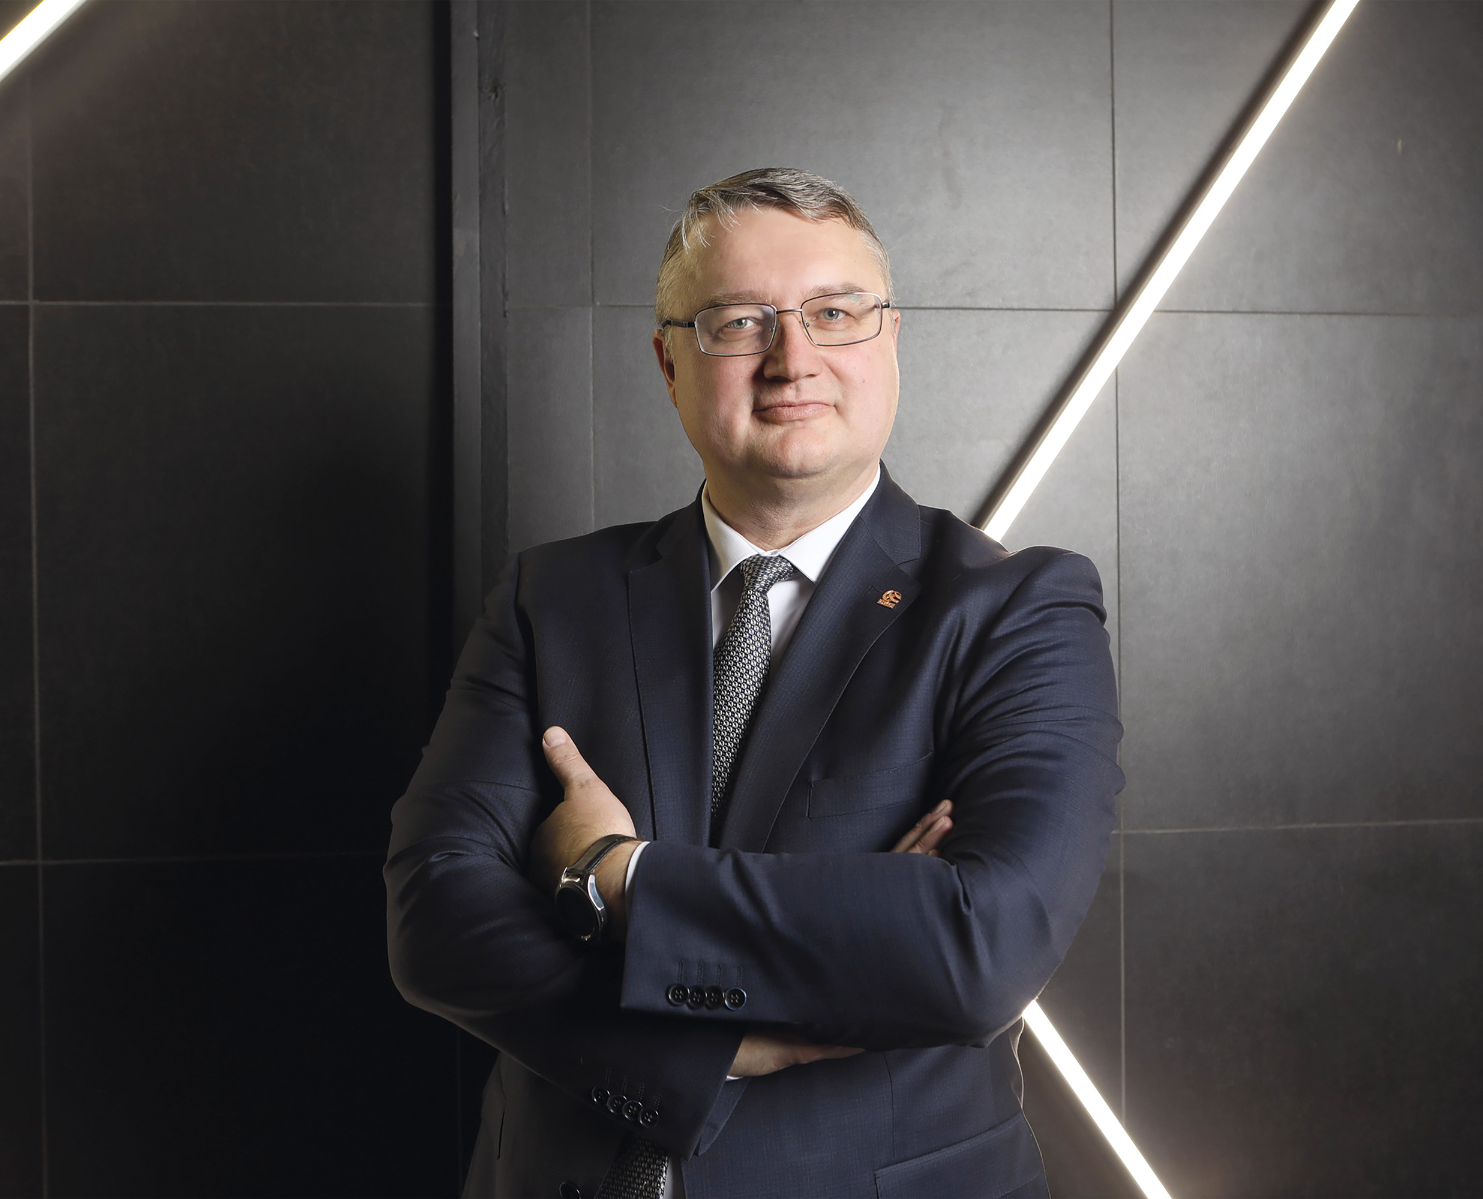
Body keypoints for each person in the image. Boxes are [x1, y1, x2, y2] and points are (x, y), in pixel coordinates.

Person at [385, 168, 1122, 1199]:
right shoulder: (551, 598)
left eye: (836, 313)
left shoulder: (1018, 610)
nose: (793, 359)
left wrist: (611, 876)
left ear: (891, 339)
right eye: (738, 321)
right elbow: (436, 919)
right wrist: (709, 1044)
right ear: (669, 361)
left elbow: (978, 946)